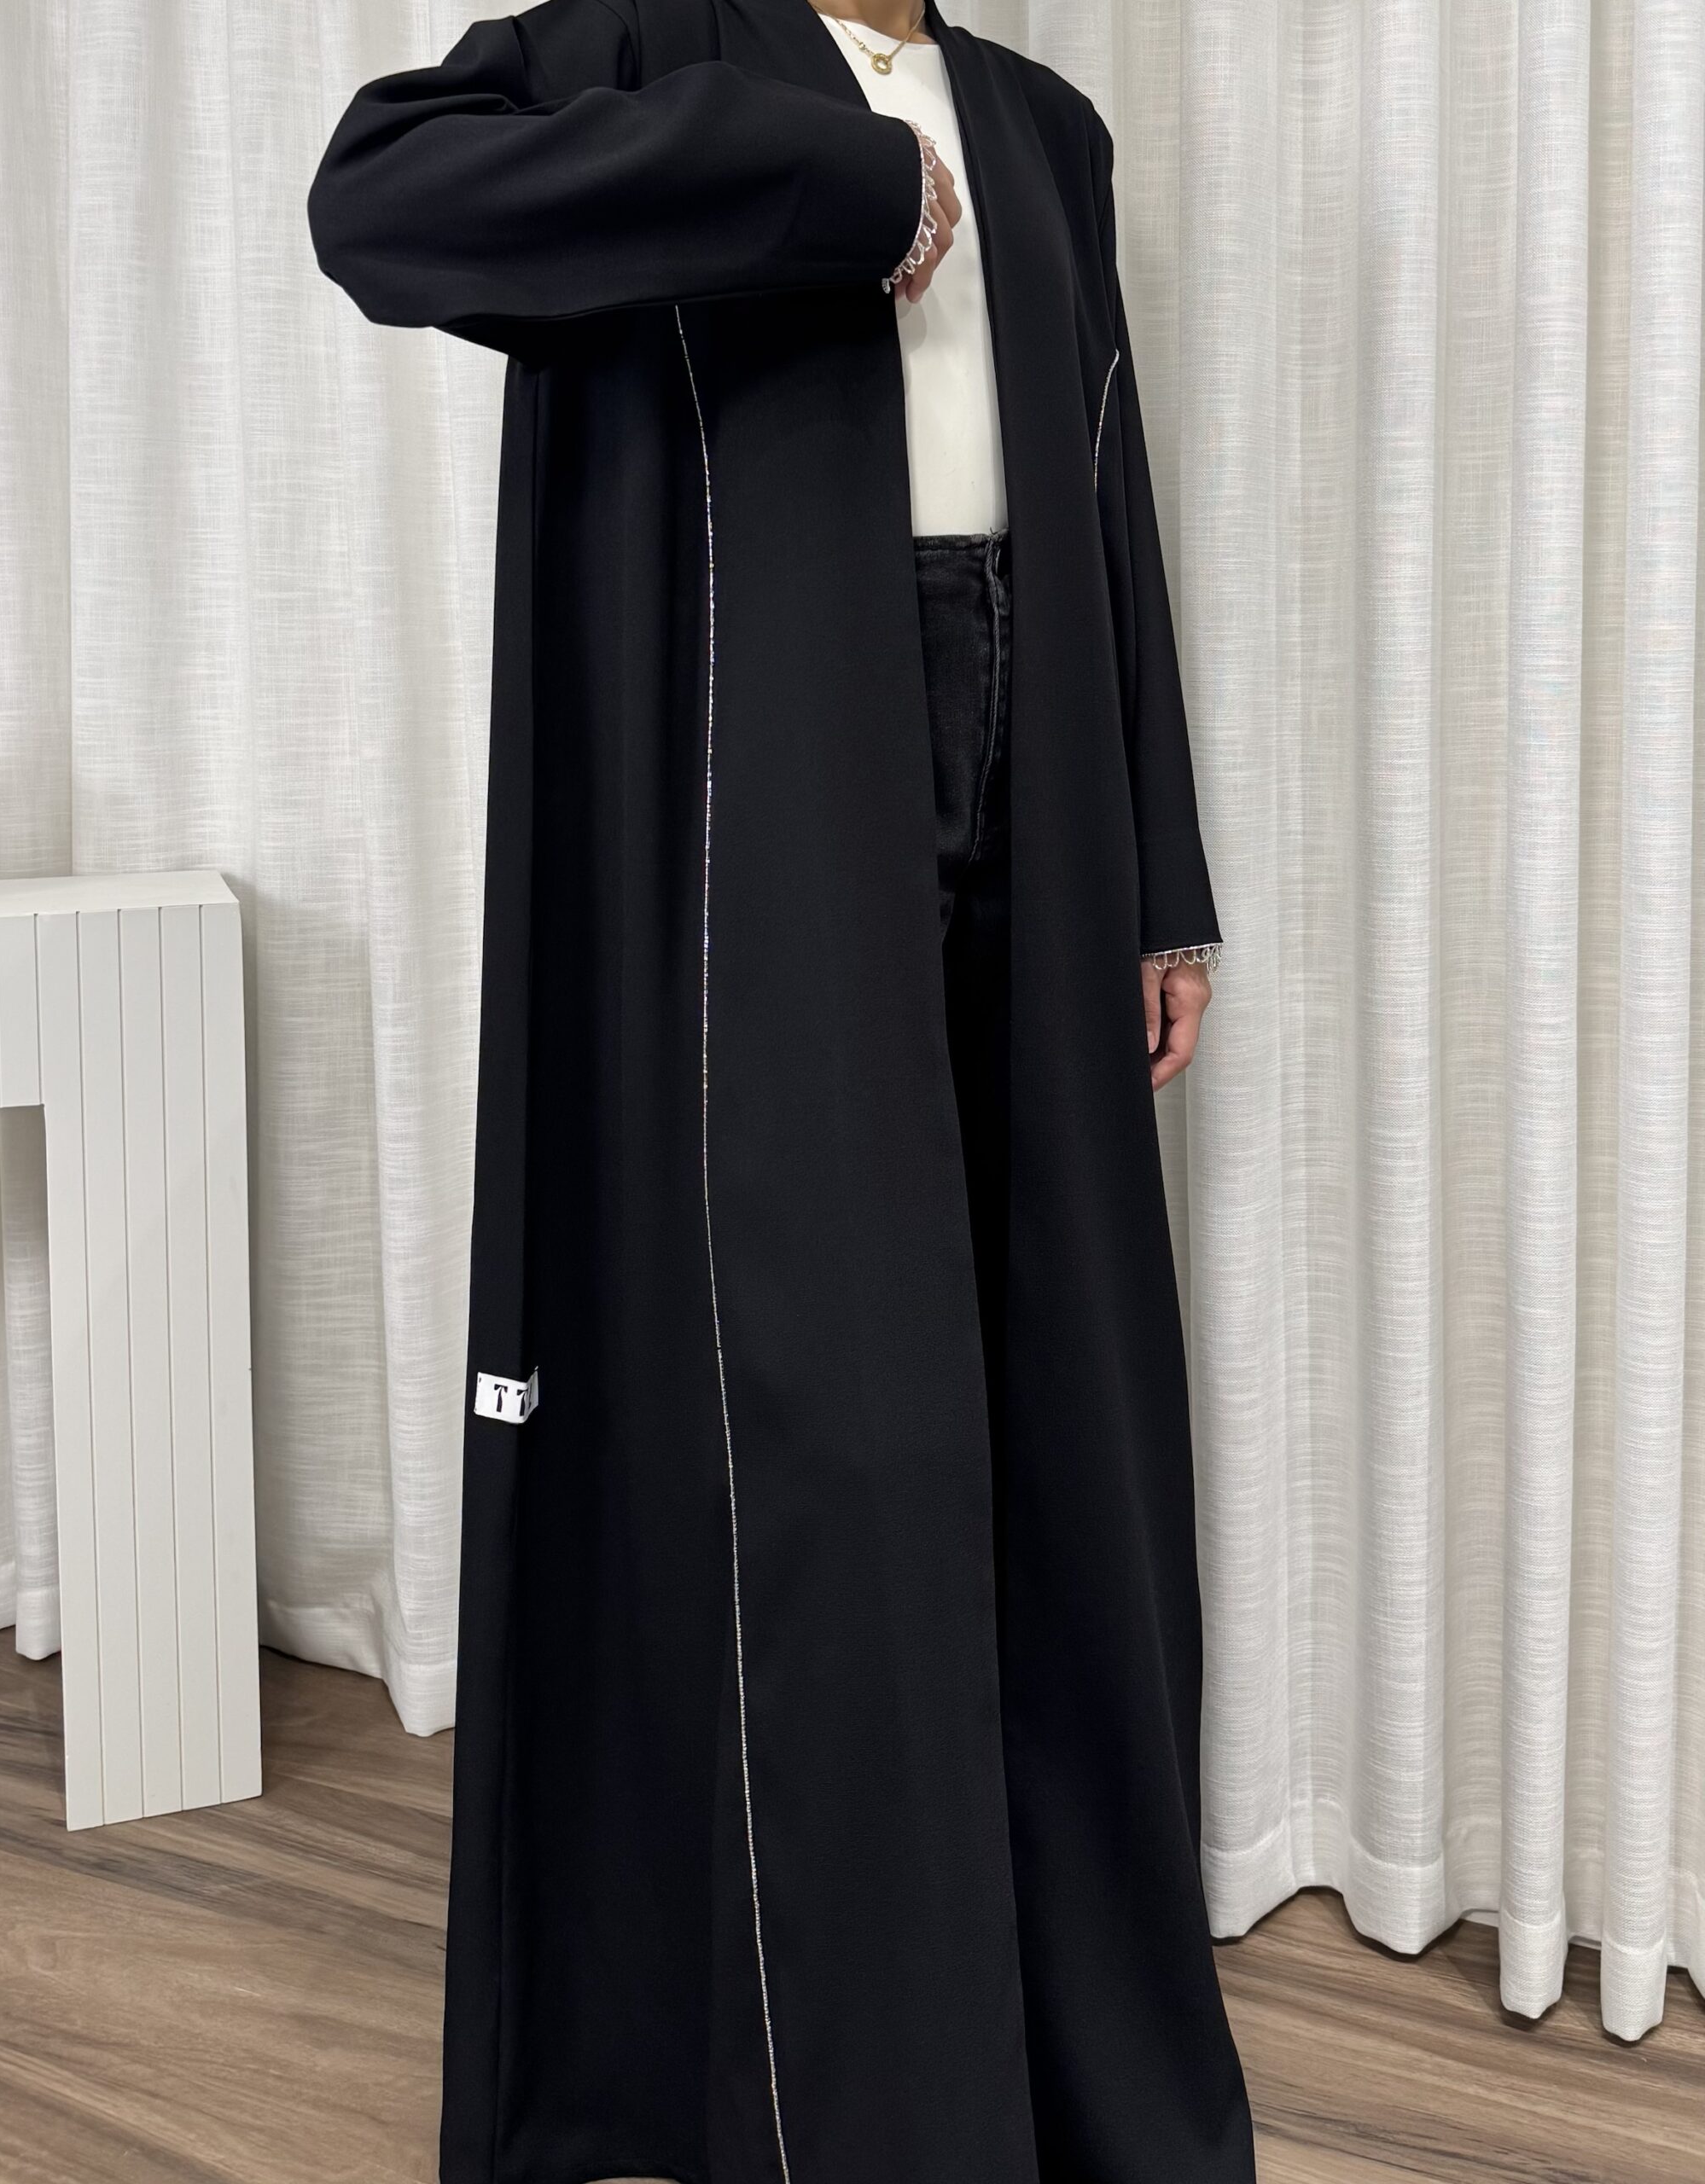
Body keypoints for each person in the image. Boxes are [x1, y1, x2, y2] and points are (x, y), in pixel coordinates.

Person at [309, 1, 1254, 2178]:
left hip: (1035, 755)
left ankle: (1067, 2044)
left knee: (1063, 1413)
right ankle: (861, 2074)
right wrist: (826, 181)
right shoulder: (647, 45)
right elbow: (378, 201)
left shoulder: (1046, 128)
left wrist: (1160, 887)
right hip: (777, 754)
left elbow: (1104, 492)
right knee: (837, 1413)